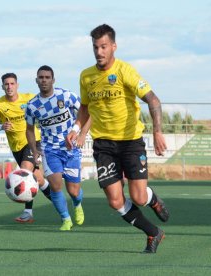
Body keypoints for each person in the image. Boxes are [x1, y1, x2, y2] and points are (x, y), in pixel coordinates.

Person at [66, 24, 169, 253]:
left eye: (103, 46)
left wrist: (157, 131)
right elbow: (85, 107)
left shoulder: (126, 71)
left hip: (131, 142)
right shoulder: (86, 76)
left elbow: (153, 100)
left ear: (113, 46)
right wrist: (76, 127)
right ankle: (153, 233)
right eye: (95, 47)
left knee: (138, 197)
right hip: (104, 145)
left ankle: (152, 199)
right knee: (115, 201)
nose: (99, 52)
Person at [26, 65, 90, 231]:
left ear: (53, 80)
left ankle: (77, 204)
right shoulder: (32, 105)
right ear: (36, 80)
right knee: (55, 185)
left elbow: (88, 112)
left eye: (47, 77)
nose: (44, 80)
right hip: (50, 150)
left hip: (71, 148)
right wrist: (34, 151)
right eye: (41, 77)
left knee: (74, 191)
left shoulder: (66, 96)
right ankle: (66, 219)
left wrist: (82, 134)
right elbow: (29, 130)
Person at [0, 73, 51, 223]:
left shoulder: (29, 98)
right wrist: (1, 126)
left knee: (25, 172)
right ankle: (60, 202)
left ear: (17, 85)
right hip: (16, 147)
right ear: (2, 86)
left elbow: (45, 107)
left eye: (12, 84)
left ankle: (28, 213)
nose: (9, 87)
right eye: (6, 84)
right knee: (40, 180)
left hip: (32, 142)